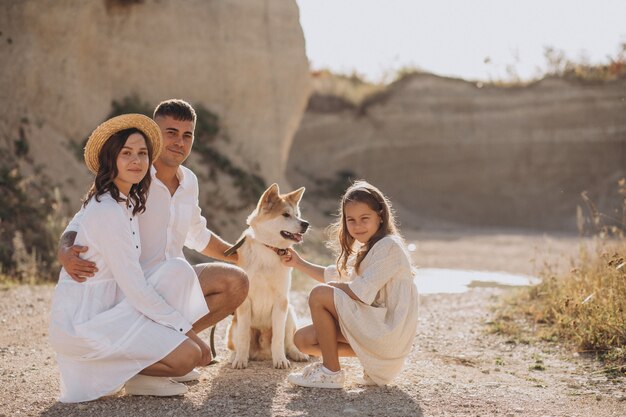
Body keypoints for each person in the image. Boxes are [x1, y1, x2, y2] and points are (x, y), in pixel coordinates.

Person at [57, 100, 249, 382]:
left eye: (187, 135)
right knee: (183, 340)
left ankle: (165, 348)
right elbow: (81, 221)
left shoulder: (190, 181)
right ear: (154, 135)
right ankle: (146, 356)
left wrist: (242, 257)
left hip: (173, 281)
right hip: (134, 288)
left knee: (236, 282)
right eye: (170, 132)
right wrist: (64, 250)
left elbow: (199, 234)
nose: (179, 142)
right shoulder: (132, 174)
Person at [49, 114, 211, 402]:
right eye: (126, 153)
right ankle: (129, 373)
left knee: (178, 270)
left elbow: (198, 234)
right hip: (86, 323)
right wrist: (188, 333)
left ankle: (143, 360)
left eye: (142, 153)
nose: (136, 161)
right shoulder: (109, 211)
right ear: (111, 159)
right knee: (190, 357)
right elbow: (136, 288)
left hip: (114, 308)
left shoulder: (127, 199)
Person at [280, 180, 419, 388]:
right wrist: (298, 263)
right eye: (351, 220)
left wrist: (327, 292)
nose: (357, 225)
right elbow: (338, 276)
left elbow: (359, 292)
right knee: (303, 340)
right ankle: (368, 360)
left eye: (365, 218)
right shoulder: (371, 248)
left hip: (388, 334)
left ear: (380, 217)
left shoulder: (389, 246)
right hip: (378, 333)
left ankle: (331, 372)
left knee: (319, 294)